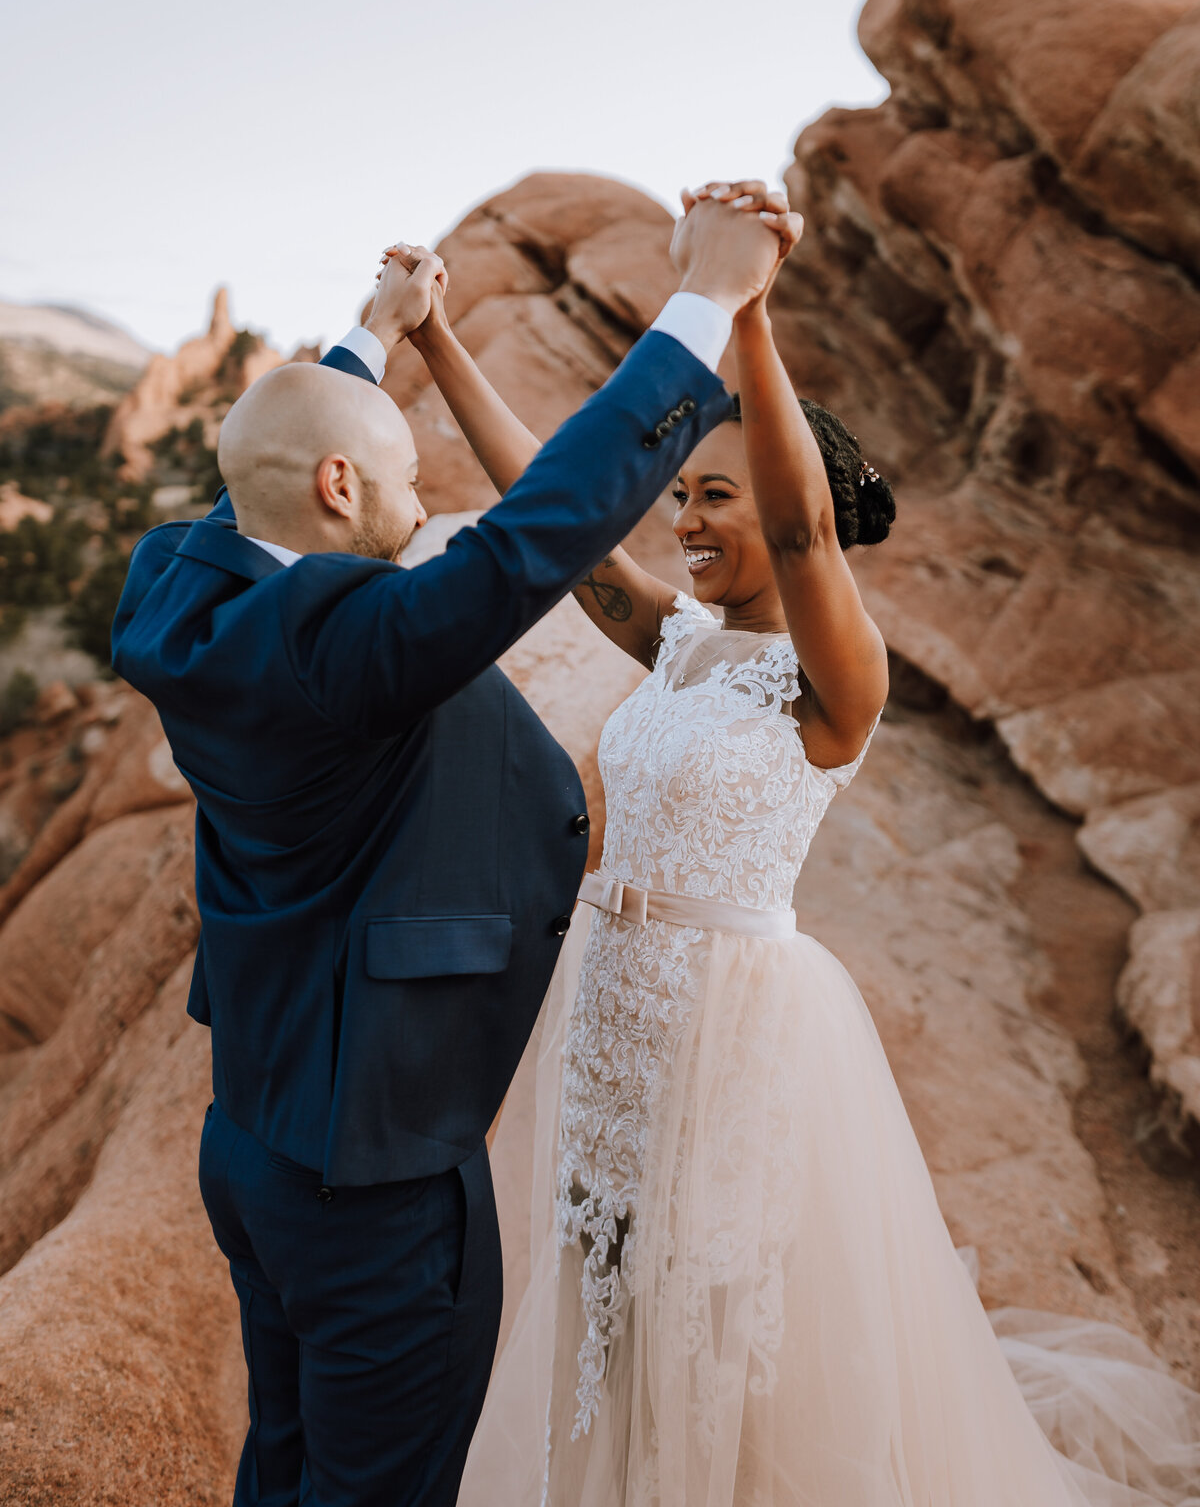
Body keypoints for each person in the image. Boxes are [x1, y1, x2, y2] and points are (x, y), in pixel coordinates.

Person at [398, 181, 1200, 1507]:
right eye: (682, 497)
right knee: (606, 1284)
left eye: (719, 497)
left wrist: (748, 315)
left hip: (735, 1025)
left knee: (713, 1303)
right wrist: (434, 341)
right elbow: (558, 512)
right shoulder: (681, 641)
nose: (689, 521)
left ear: (785, 509)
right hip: (608, 1006)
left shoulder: (840, 681)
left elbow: (806, 524)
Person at [109, 191, 801, 1507]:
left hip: (256, 1135)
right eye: (405, 490)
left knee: (291, 1455)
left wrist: (372, 340)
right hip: (372, 1172)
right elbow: (540, 533)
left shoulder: (178, 584)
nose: (417, 514)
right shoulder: (345, 645)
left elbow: (257, 476)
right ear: (337, 487)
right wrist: (703, 302)